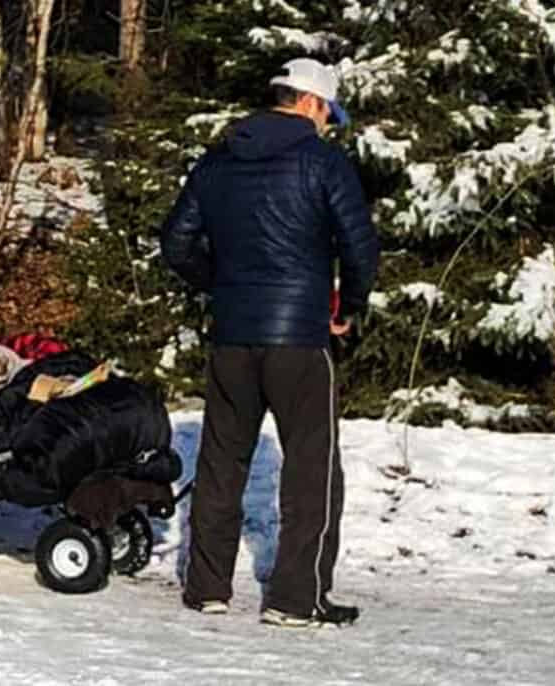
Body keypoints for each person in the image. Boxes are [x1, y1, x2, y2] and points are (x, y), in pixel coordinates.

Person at [160, 58, 380, 627]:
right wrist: (347, 308)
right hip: (301, 339)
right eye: (330, 112)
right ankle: (295, 599)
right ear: (310, 103)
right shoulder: (323, 161)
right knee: (312, 468)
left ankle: (206, 587)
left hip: (233, 334)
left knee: (221, 460)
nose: (330, 123)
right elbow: (359, 250)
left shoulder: (218, 158)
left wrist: (226, 286)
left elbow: (177, 243)